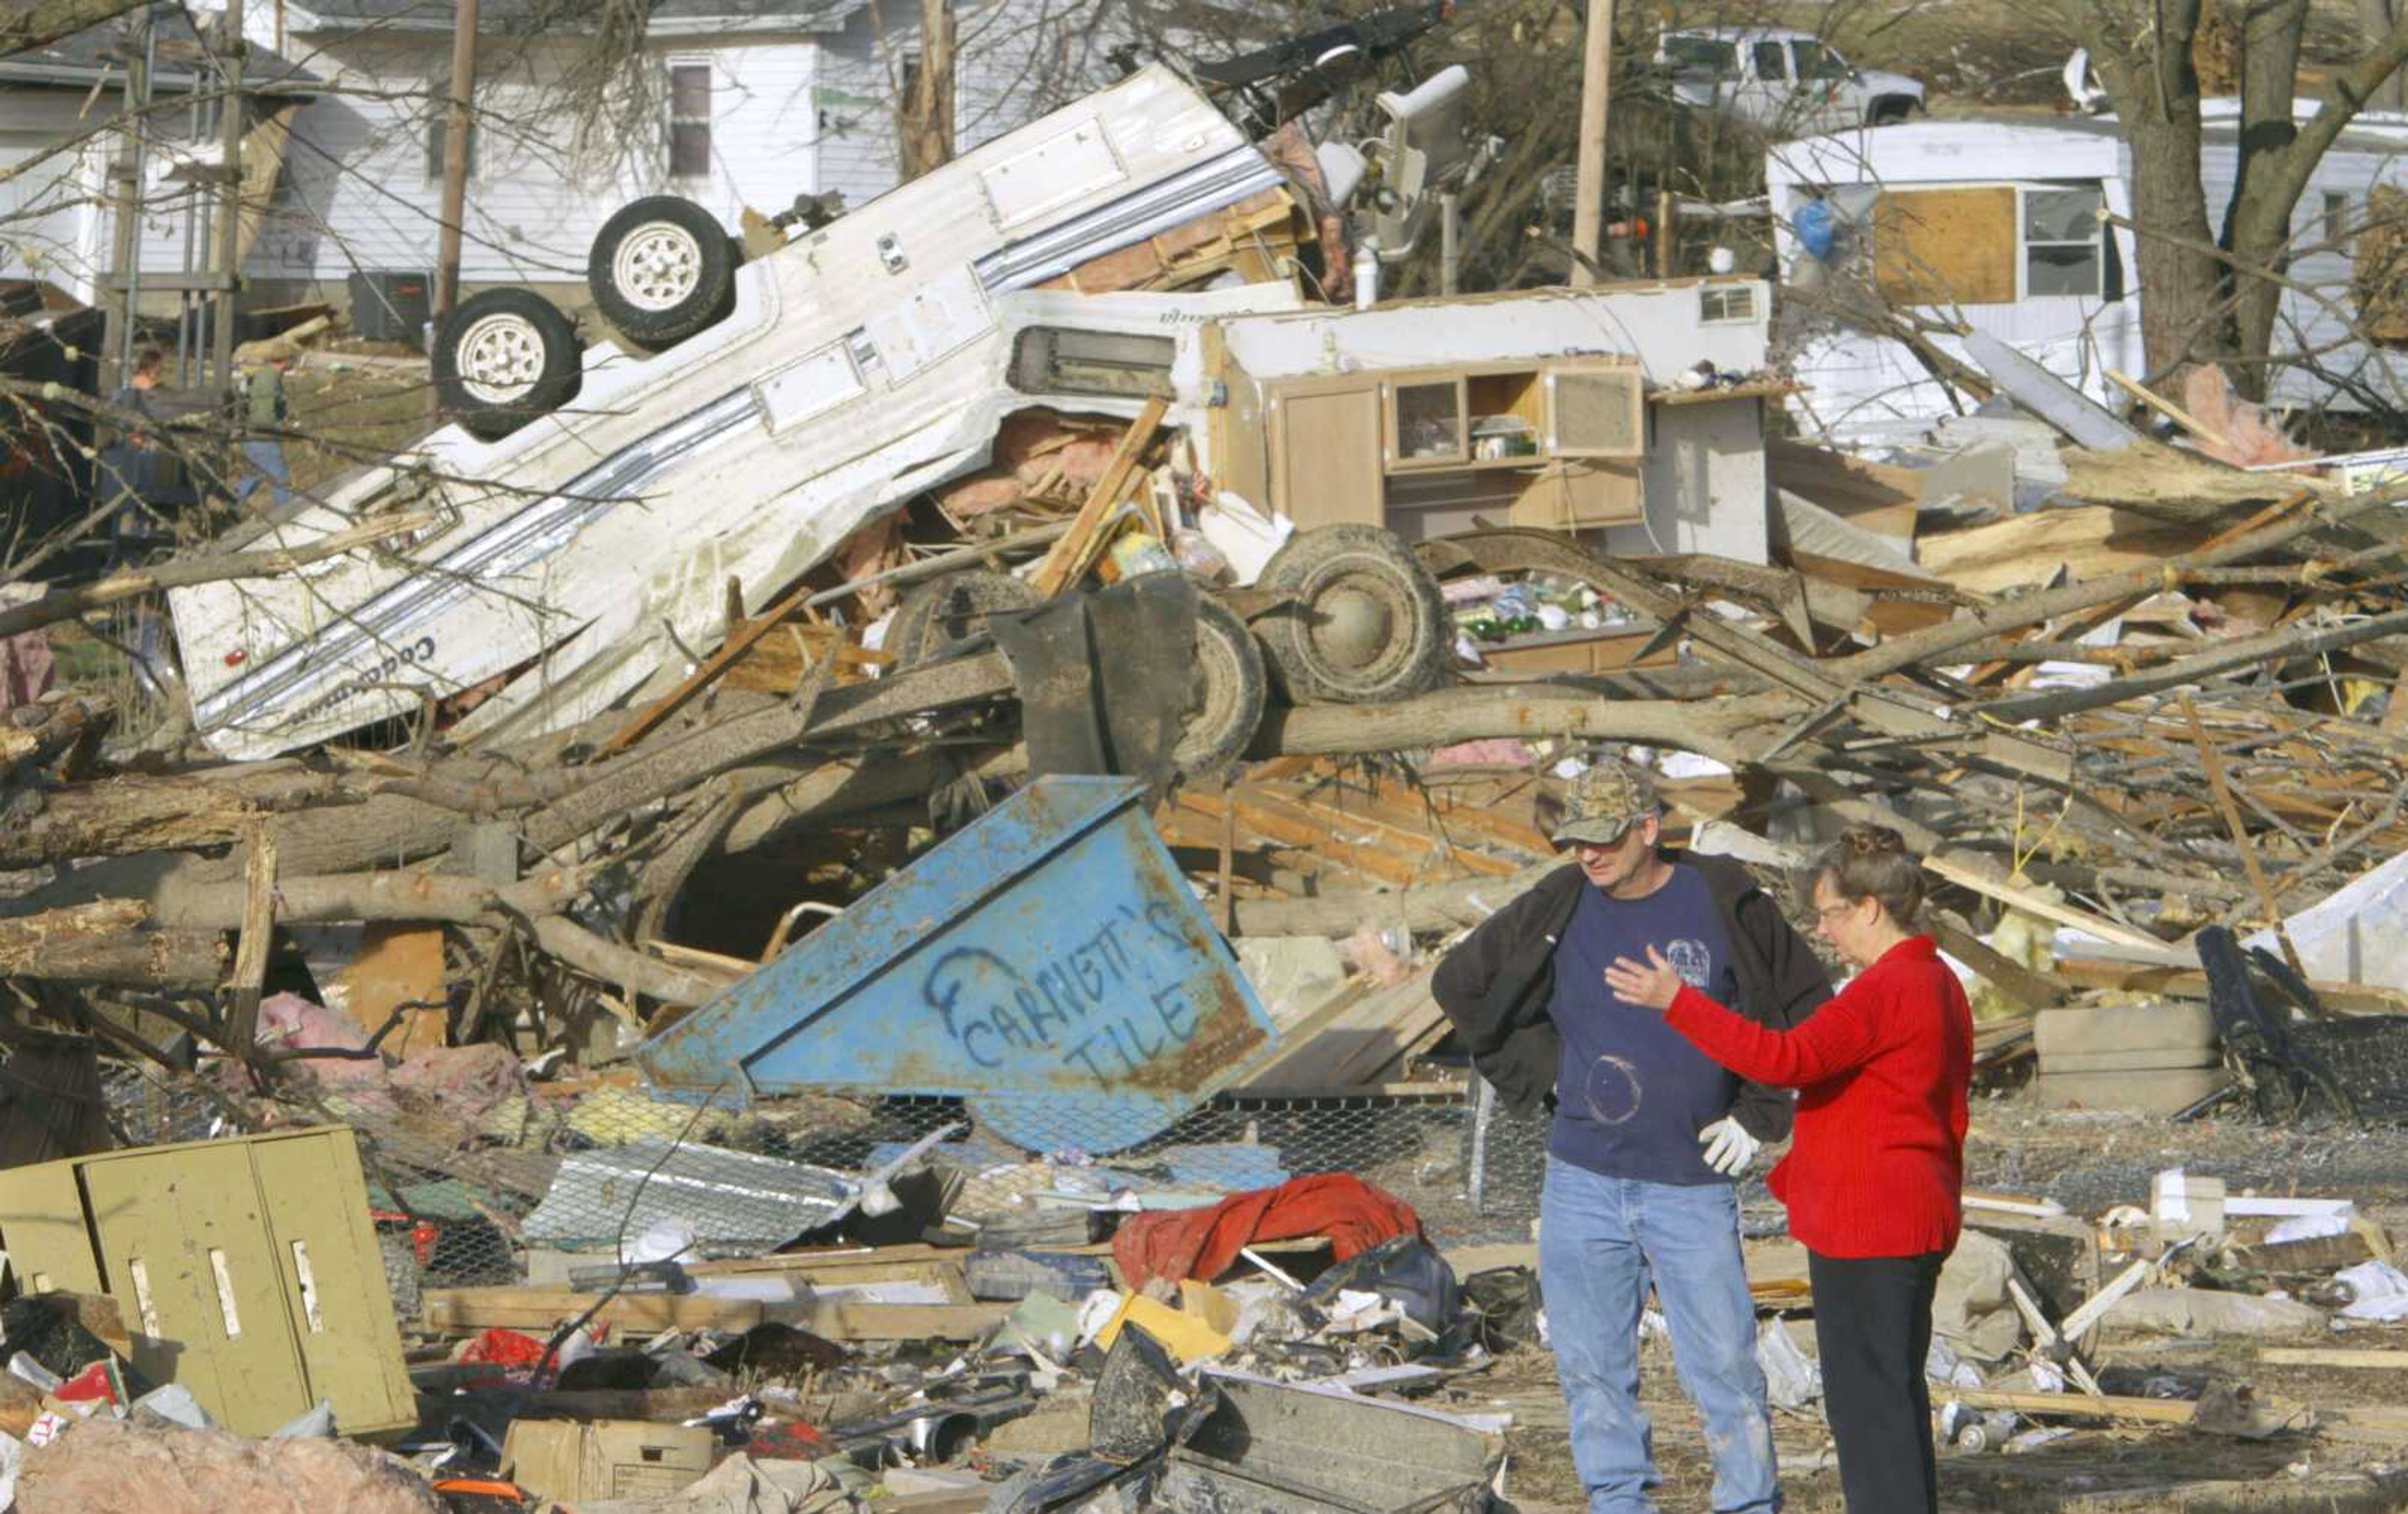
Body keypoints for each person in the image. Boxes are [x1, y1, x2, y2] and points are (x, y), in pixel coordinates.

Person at [1434, 763, 1833, 1514]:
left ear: (1649, 827)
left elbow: (1805, 1010)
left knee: (1724, 1365)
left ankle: (1749, 1504)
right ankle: (1618, 1502)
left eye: (1604, 837)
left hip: (1691, 1180)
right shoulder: (1562, 900)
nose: (1589, 853)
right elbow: (1462, 984)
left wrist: (1759, 1114)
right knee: (1592, 1367)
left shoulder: (1723, 898)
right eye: (1577, 839)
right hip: (1581, 1176)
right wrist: (1546, 1073)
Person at [1603, 823, 1974, 1514]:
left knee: (1869, 1410)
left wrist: (1679, 1001)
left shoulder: (1884, 990)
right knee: (1891, 1397)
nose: (1826, 930)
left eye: (1831, 913)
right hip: (1911, 1212)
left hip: (1869, 1224)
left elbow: (1786, 1059)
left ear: (1869, 907)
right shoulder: (1938, 982)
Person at [236, 344, 297, 511]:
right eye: (293, 359)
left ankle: (231, 507)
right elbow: (264, 416)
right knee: (279, 477)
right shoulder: (268, 378)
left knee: (255, 475)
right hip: (262, 438)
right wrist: (281, 427)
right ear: (285, 360)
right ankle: (288, 515)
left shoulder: (271, 376)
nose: (295, 362)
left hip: (254, 436)